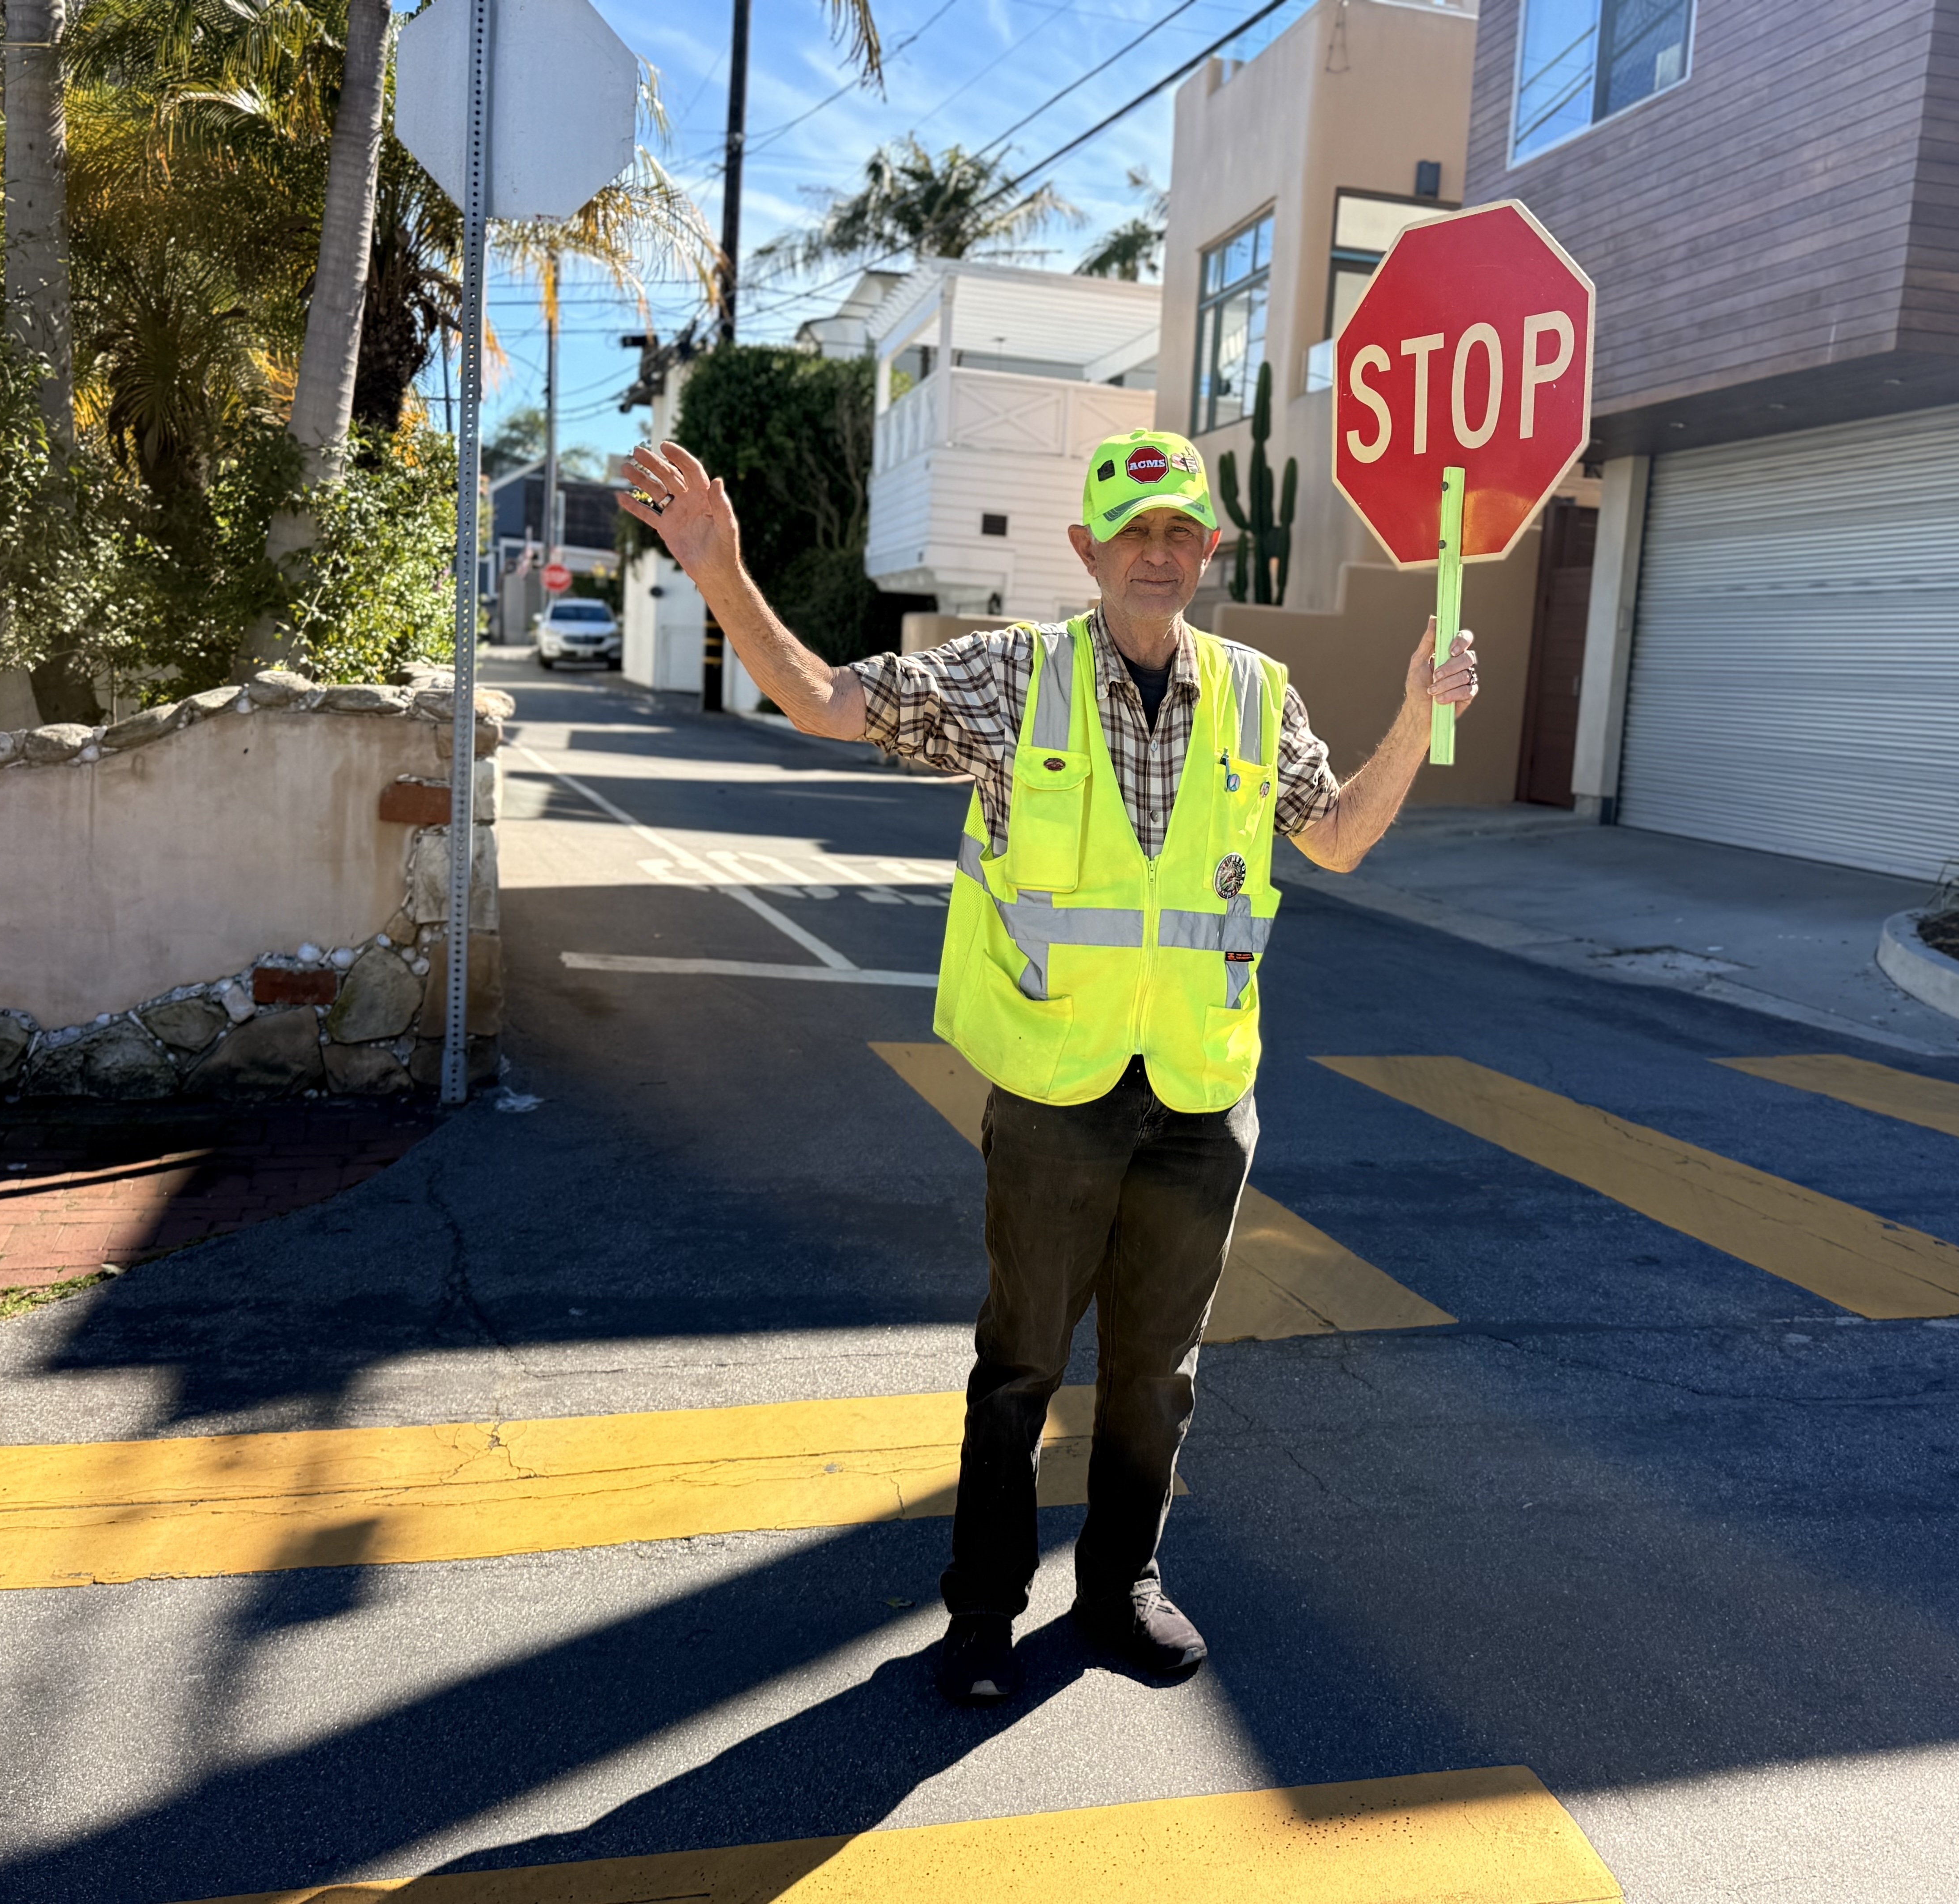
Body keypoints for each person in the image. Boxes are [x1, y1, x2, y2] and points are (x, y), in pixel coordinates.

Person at [620, 430, 1477, 1704]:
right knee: (1021, 1362)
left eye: (1180, 530)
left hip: (1198, 1094)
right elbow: (830, 703)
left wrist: (1419, 709)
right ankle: (982, 1612)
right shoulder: (1016, 678)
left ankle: (1122, 1581)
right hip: (1057, 1091)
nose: (1156, 551)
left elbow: (1341, 836)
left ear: (1209, 552)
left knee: (1155, 1374)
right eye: (1132, 530)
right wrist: (721, 573)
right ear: (1085, 549)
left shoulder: (1256, 693)